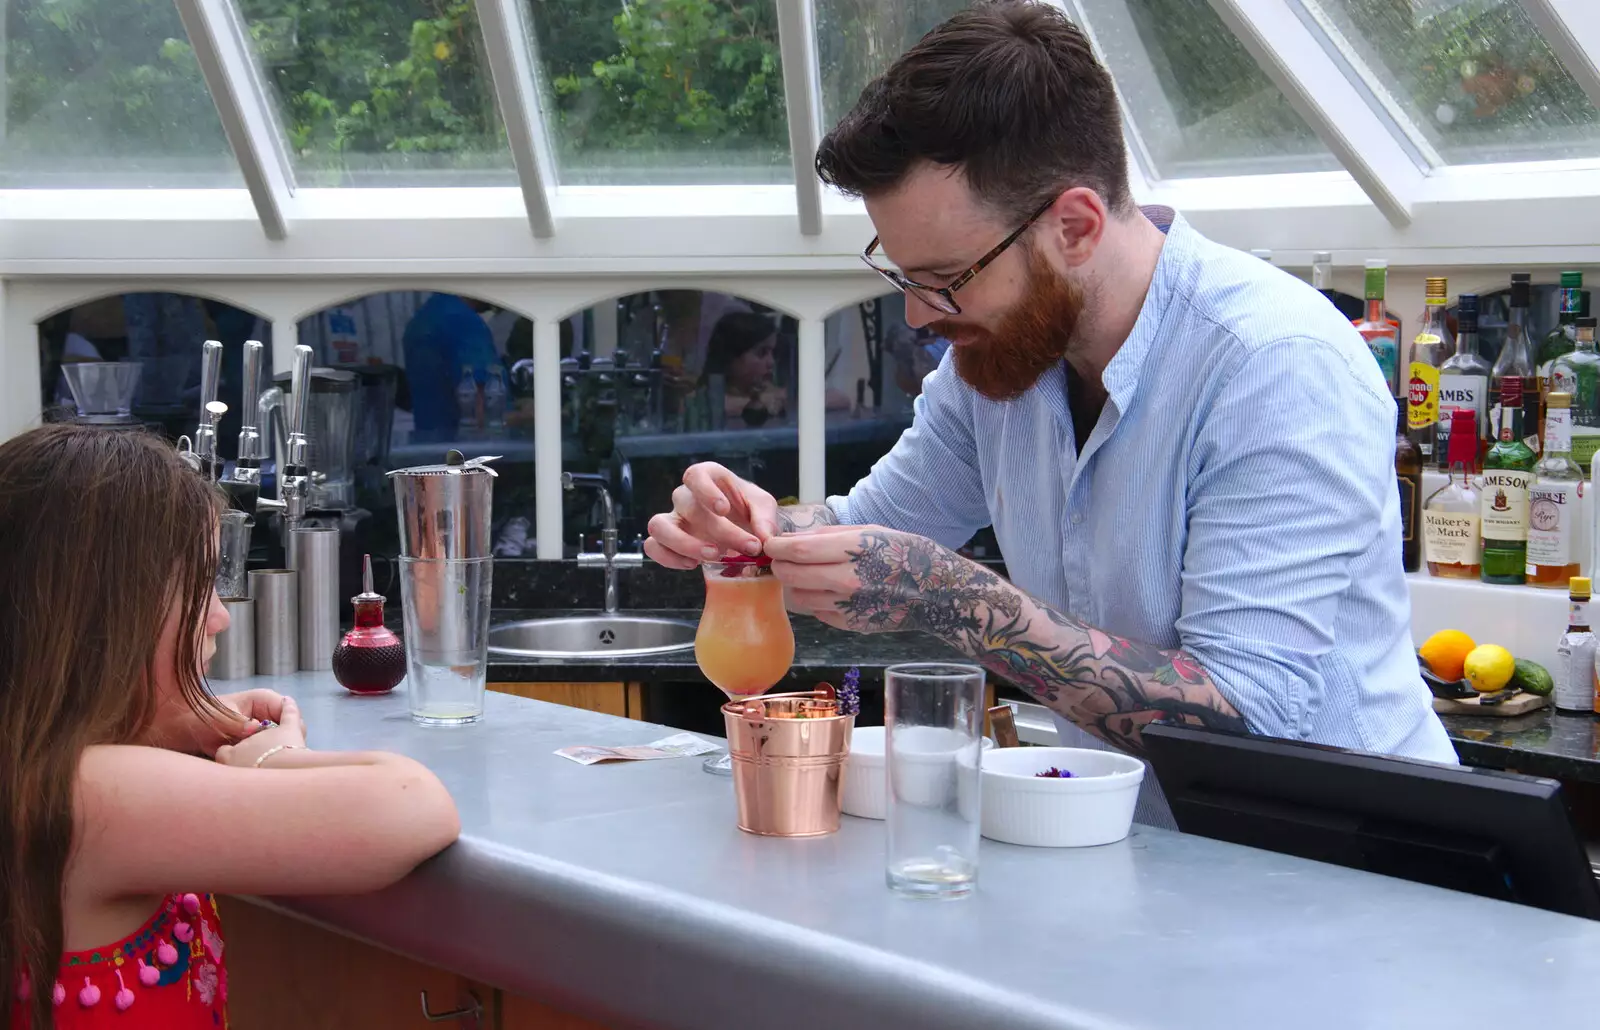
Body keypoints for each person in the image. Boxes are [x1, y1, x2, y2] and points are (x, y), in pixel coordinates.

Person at [644, 0, 1454, 826]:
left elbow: (1249, 716)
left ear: (1074, 226)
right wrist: (756, 533)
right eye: (903, 275)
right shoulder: (1002, 363)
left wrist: (956, 599)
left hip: (1355, 869)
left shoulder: (1274, 363)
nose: (920, 317)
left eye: (947, 278)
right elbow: (872, 532)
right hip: (1145, 853)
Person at [0, 425, 460, 1028]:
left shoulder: (38, 769)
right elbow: (411, 807)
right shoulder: (92, 792)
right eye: (198, 588)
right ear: (105, 616)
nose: (219, 617)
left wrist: (162, 725)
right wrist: (272, 759)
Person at [401, 293, 502, 437]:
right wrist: (531, 415)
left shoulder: (423, 317)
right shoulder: (464, 323)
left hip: (430, 448)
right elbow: (482, 417)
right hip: (468, 451)